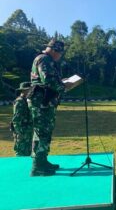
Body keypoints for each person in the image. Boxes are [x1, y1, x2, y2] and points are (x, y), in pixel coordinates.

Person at [27, 39, 72, 176]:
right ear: (53, 50)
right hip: (41, 101)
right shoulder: (44, 59)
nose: (60, 56)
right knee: (42, 132)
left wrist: (61, 83)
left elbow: (49, 80)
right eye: (59, 53)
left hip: (44, 101)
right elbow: (48, 79)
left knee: (44, 131)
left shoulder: (45, 59)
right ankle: (37, 166)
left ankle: (42, 161)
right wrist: (64, 86)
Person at [11, 82, 33, 156]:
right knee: (20, 153)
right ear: (24, 90)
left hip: (27, 131)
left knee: (28, 153)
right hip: (21, 132)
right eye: (29, 89)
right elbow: (16, 120)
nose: (31, 91)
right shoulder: (19, 101)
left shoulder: (27, 100)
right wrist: (19, 133)